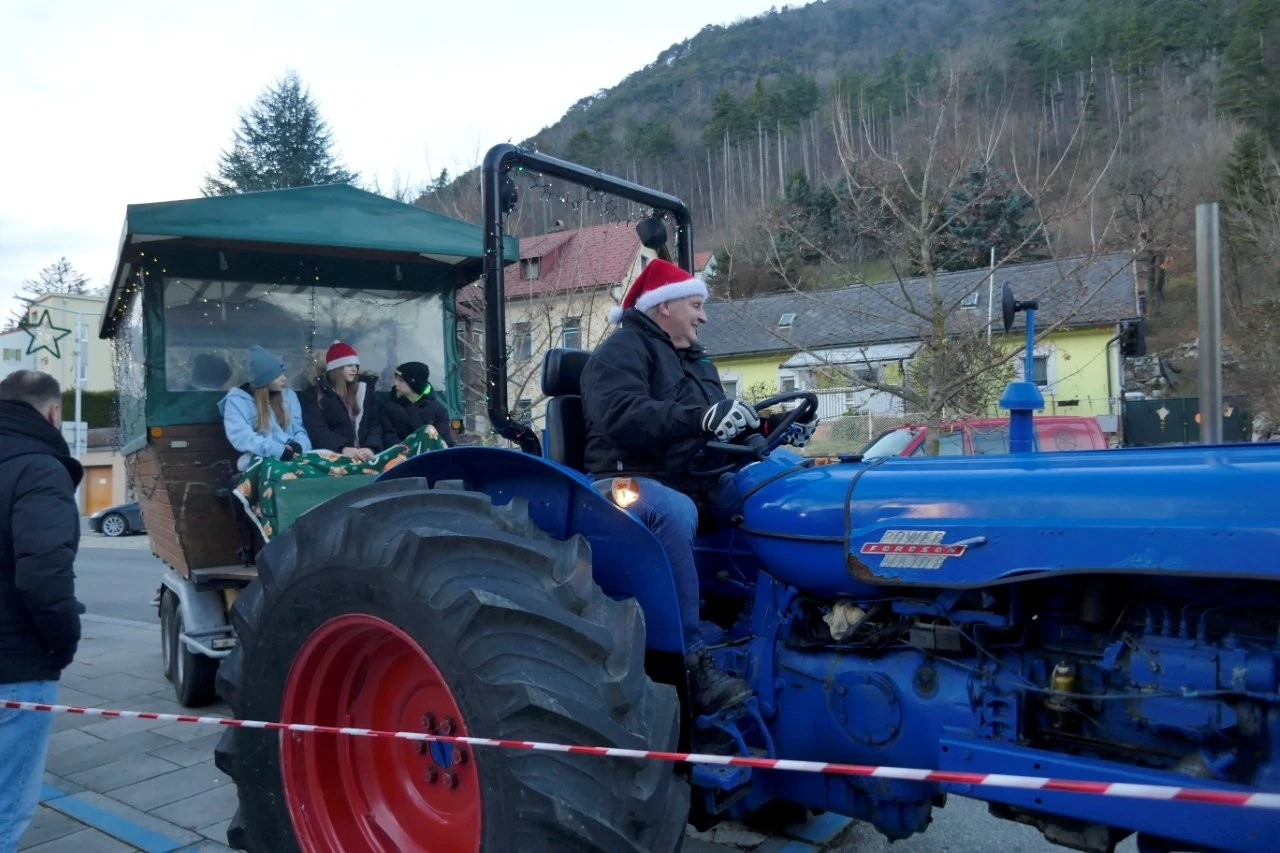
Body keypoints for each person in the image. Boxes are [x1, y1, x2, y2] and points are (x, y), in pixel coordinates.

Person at [580, 259, 817, 714]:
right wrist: (698, 419)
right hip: (624, 480)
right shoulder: (620, 352)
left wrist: (771, 430)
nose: (704, 316)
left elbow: (722, 426)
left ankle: (778, 620)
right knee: (673, 511)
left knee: (776, 484)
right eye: (696, 305)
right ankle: (690, 659)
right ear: (664, 306)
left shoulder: (696, 362)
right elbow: (622, 416)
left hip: (694, 474)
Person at [0, 370, 83, 849]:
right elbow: (45, 572)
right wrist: (61, 642)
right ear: (53, 413)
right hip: (15, 662)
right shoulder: (39, 468)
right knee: (6, 809)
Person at [218, 345, 312, 471]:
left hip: (294, 454)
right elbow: (242, 436)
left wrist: (299, 446)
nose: (284, 379)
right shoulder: (236, 401)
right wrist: (277, 450)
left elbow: (298, 428)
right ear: (264, 379)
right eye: (278, 375)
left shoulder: (289, 395)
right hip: (260, 456)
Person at [302, 341, 395, 460]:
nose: (354, 369)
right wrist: (343, 448)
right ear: (336, 368)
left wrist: (371, 448)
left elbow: (374, 425)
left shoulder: (366, 391)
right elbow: (318, 430)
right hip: (334, 457)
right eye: (349, 365)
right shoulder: (314, 395)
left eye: (356, 365)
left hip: (365, 456)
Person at [382, 361, 457, 447]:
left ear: (414, 383)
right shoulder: (389, 407)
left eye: (401, 380)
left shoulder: (438, 409)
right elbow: (388, 437)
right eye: (396, 379)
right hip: (400, 457)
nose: (395, 383)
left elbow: (445, 439)